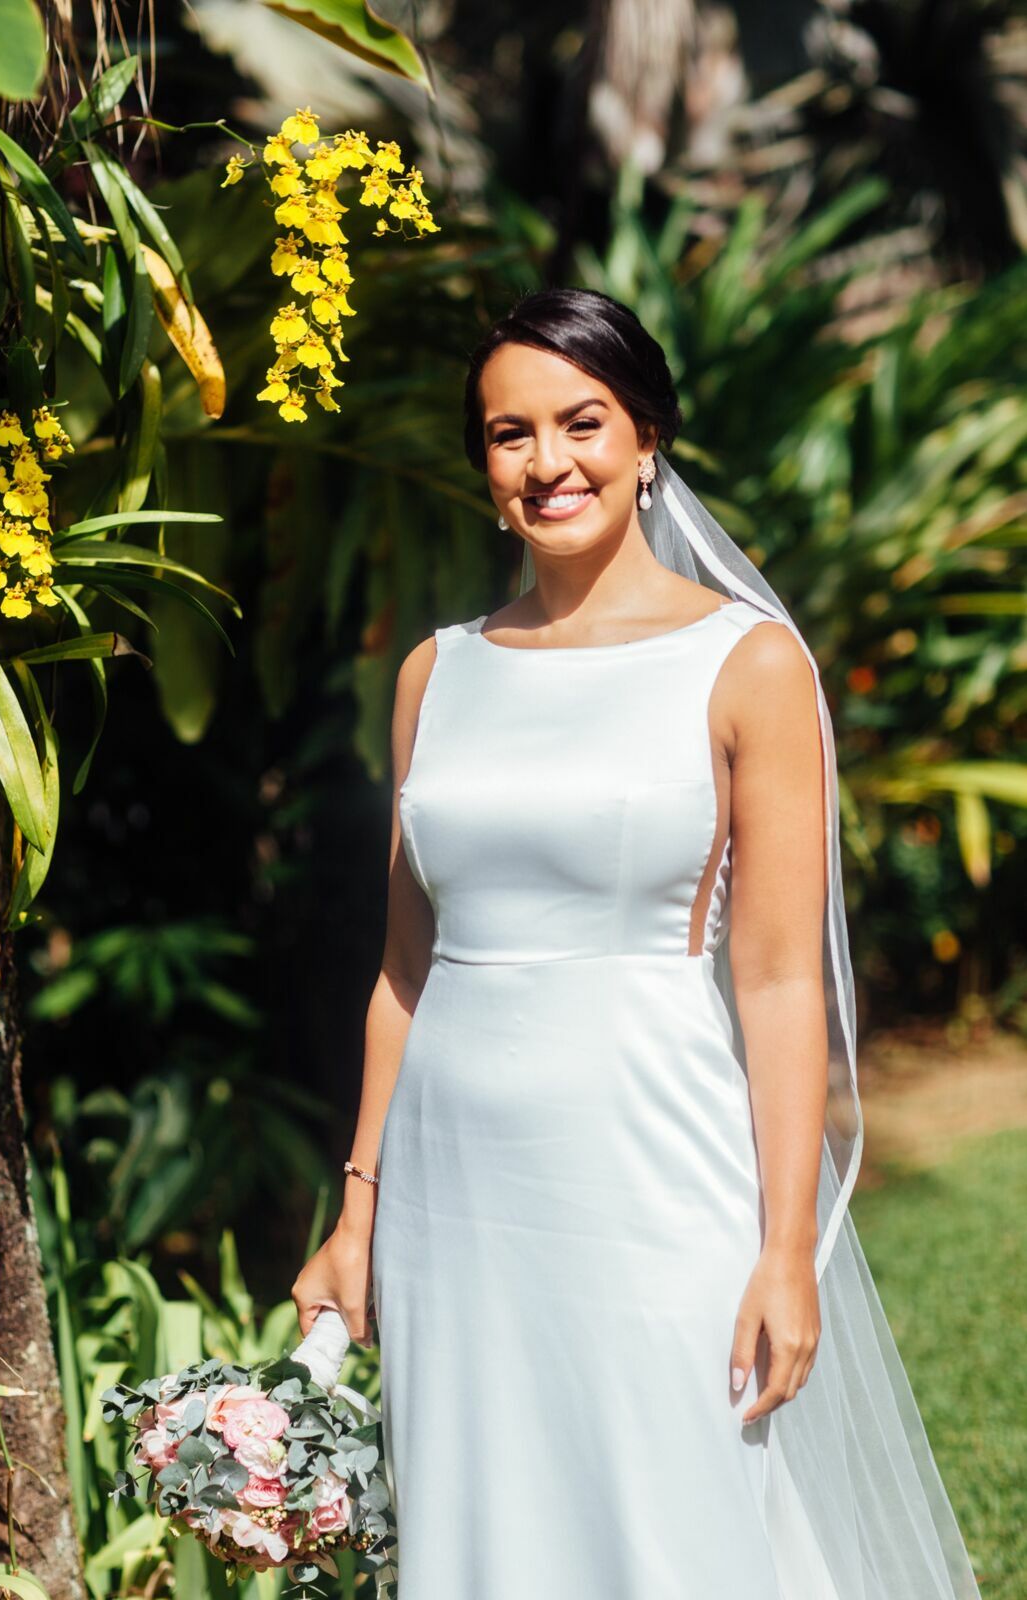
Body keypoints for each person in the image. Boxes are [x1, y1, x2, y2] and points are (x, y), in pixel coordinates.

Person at [292, 288, 981, 1599]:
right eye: (510, 433)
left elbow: (778, 980)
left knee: (682, 1526)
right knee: (485, 1529)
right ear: (482, 462)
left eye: (582, 423)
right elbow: (404, 971)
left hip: (656, 1176)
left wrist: (786, 1250)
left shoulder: (749, 664)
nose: (549, 463)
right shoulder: (437, 674)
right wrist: (358, 1212)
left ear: (646, 434)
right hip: (456, 1195)